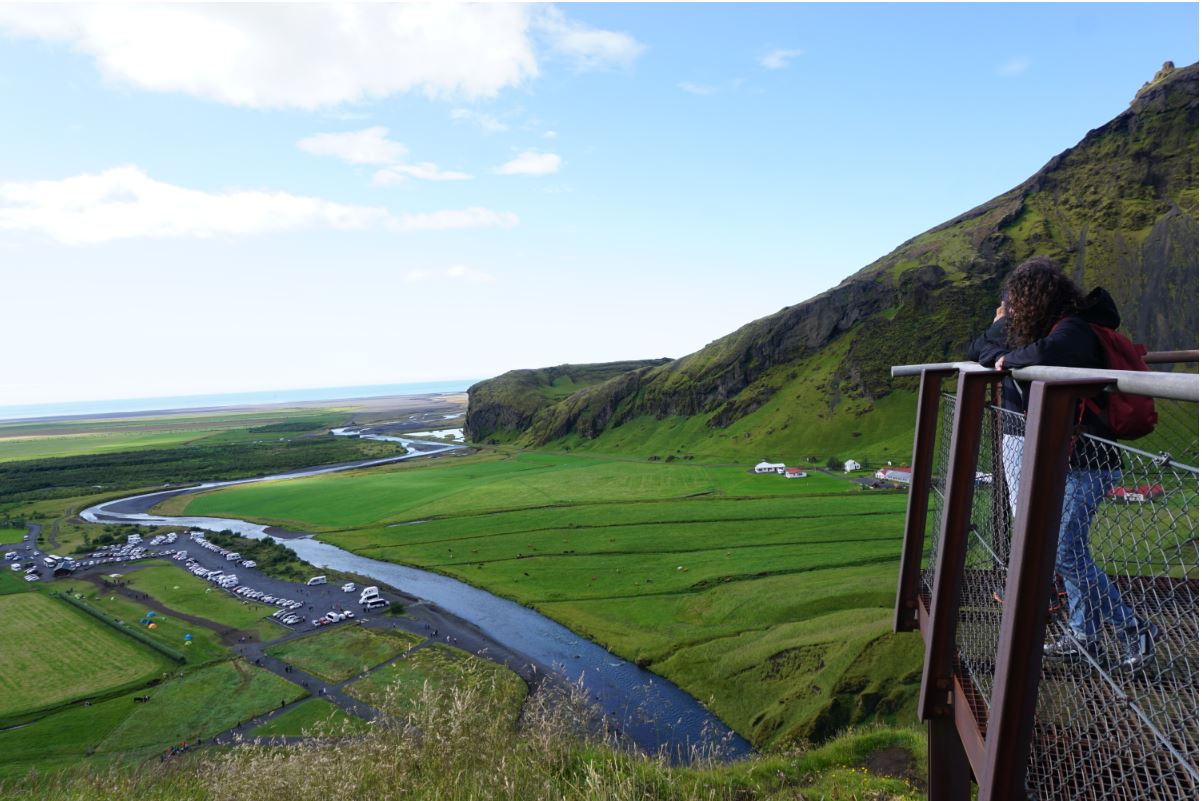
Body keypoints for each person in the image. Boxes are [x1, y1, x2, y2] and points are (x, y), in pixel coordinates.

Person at [969, 256, 1157, 671]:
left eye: (1016, 303)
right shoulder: (1049, 328)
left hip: (1091, 461)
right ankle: (1085, 631)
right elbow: (977, 347)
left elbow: (1038, 357)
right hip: (1068, 460)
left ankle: (1134, 627)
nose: (1012, 311)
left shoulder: (1073, 330)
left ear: (1033, 300)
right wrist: (1001, 336)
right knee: (1064, 548)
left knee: (1062, 548)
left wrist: (1003, 356)